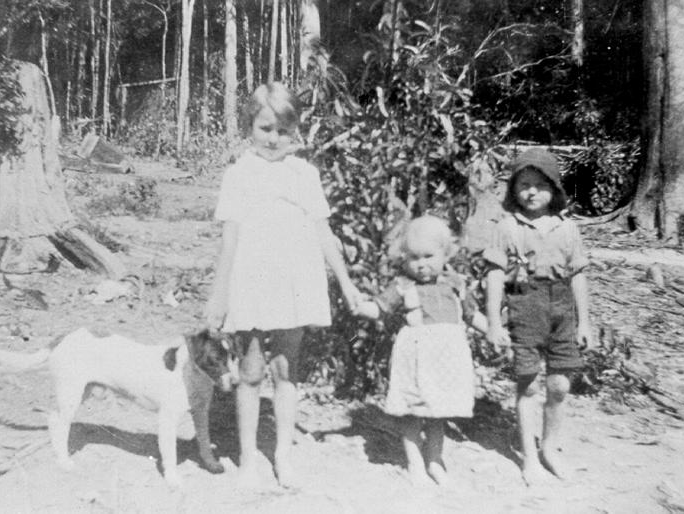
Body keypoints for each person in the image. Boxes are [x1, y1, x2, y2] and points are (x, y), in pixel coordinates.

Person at [205, 82, 361, 488]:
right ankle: (247, 460)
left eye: (283, 130)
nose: (273, 138)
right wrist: (219, 296)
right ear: (250, 127)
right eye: (265, 128)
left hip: (294, 281)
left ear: (295, 131)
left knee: (287, 369)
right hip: (252, 281)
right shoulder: (238, 175)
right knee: (251, 369)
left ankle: (282, 456)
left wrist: (345, 284)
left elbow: (323, 233)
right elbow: (230, 241)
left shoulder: (303, 174)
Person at [483, 148, 594, 485]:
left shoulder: (567, 229)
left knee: (559, 386)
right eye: (523, 184)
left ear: (555, 189)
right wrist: (491, 321)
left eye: (539, 184)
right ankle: (528, 458)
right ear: (513, 190)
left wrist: (584, 321)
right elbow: (494, 275)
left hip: (561, 309)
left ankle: (549, 448)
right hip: (524, 307)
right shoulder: (507, 227)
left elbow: (578, 275)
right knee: (529, 384)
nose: (531, 192)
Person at [354, 215, 487, 486]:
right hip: (416, 357)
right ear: (405, 258)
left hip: (447, 357)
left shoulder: (455, 284)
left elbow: (473, 316)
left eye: (429, 256)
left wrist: (495, 331)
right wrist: (360, 306)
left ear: (446, 253)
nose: (422, 264)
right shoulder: (403, 285)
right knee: (414, 410)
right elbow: (380, 307)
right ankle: (415, 462)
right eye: (414, 257)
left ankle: (435, 459)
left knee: (438, 411)